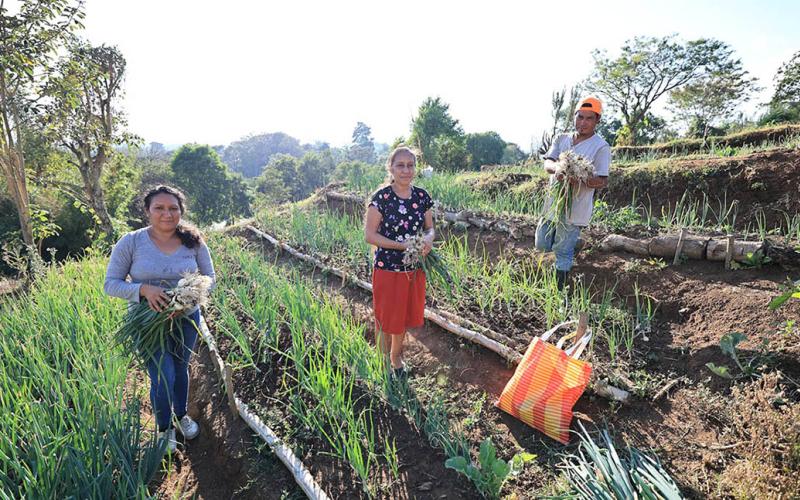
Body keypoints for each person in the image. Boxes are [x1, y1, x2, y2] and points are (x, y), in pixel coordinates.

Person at [104, 185, 216, 453]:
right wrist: (142, 290)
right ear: (147, 211)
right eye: (159, 208)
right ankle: (164, 429)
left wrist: (188, 296)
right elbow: (111, 284)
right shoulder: (131, 242)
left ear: (181, 212)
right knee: (162, 374)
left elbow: (210, 277)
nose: (167, 214)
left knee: (180, 368)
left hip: (186, 317)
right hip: (147, 321)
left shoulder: (194, 241)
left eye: (173, 208)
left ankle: (181, 415)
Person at [364, 146, 434, 379]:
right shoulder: (381, 198)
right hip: (387, 268)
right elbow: (370, 235)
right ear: (391, 168)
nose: (406, 170)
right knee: (386, 319)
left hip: (412, 268)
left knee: (402, 317)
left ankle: (396, 357)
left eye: (410, 165)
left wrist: (428, 240)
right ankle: (383, 362)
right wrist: (403, 245)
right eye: (400, 165)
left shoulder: (422, 197)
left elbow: (430, 227)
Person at [535, 97, 611, 290]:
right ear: (574, 117)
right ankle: (575, 243)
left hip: (575, 206)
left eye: (588, 119)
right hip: (553, 201)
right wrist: (559, 169)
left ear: (597, 121)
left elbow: (602, 180)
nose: (582, 123)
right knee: (542, 243)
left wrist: (578, 178)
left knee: (562, 250)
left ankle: (558, 291)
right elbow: (548, 162)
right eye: (579, 117)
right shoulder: (562, 139)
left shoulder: (601, 147)